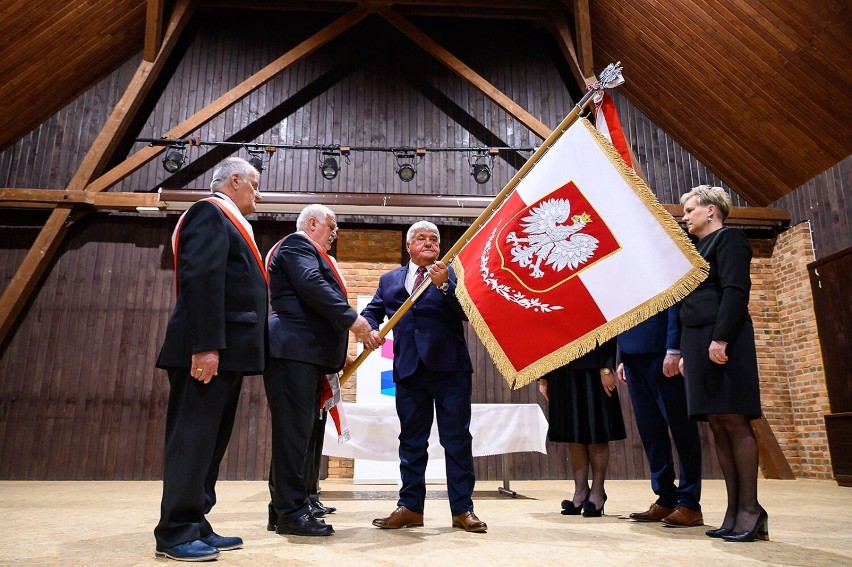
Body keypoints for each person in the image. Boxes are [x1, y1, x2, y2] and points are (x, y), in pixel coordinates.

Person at [154, 157, 267, 561]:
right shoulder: (208, 212)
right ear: (234, 180)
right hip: (207, 350)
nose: (259, 193)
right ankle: (175, 533)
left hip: (226, 351)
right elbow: (201, 279)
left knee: (210, 444)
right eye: (254, 184)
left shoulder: (230, 219)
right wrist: (205, 345)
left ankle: (196, 521)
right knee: (193, 441)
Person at [362, 221, 487, 533]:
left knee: (456, 440)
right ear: (408, 246)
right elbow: (371, 313)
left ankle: (463, 510)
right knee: (411, 442)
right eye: (421, 238)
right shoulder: (389, 280)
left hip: (451, 371)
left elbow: (468, 313)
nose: (429, 243)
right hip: (408, 371)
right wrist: (370, 330)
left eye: (434, 239)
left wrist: (444, 285)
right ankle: (410, 508)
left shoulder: (453, 274)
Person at [264, 204, 372, 537]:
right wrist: (353, 320)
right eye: (332, 226)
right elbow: (312, 286)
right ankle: (291, 514)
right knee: (293, 436)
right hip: (293, 351)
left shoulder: (309, 252)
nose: (335, 233)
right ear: (312, 223)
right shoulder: (298, 245)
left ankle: (291, 505)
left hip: (307, 355)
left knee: (303, 436)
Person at [679, 185, 767, 542]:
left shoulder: (728, 240)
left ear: (711, 211)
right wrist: (687, 350)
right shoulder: (694, 250)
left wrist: (722, 337)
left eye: (690, 210)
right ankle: (733, 510)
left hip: (723, 337)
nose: (684, 216)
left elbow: (735, 289)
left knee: (734, 419)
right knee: (716, 423)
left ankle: (751, 509)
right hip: (697, 339)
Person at [617, 306, 704, 527]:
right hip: (631, 353)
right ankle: (665, 497)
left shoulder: (659, 269)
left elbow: (674, 304)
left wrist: (674, 348)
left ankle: (689, 503)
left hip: (661, 350)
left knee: (682, 429)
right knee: (651, 432)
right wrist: (620, 357)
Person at [538, 339, 625, 517]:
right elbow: (545, 328)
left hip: (593, 365)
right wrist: (544, 375)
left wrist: (606, 367)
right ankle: (581, 491)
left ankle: (598, 492)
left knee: (596, 430)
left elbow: (608, 324)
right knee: (573, 432)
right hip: (560, 366)